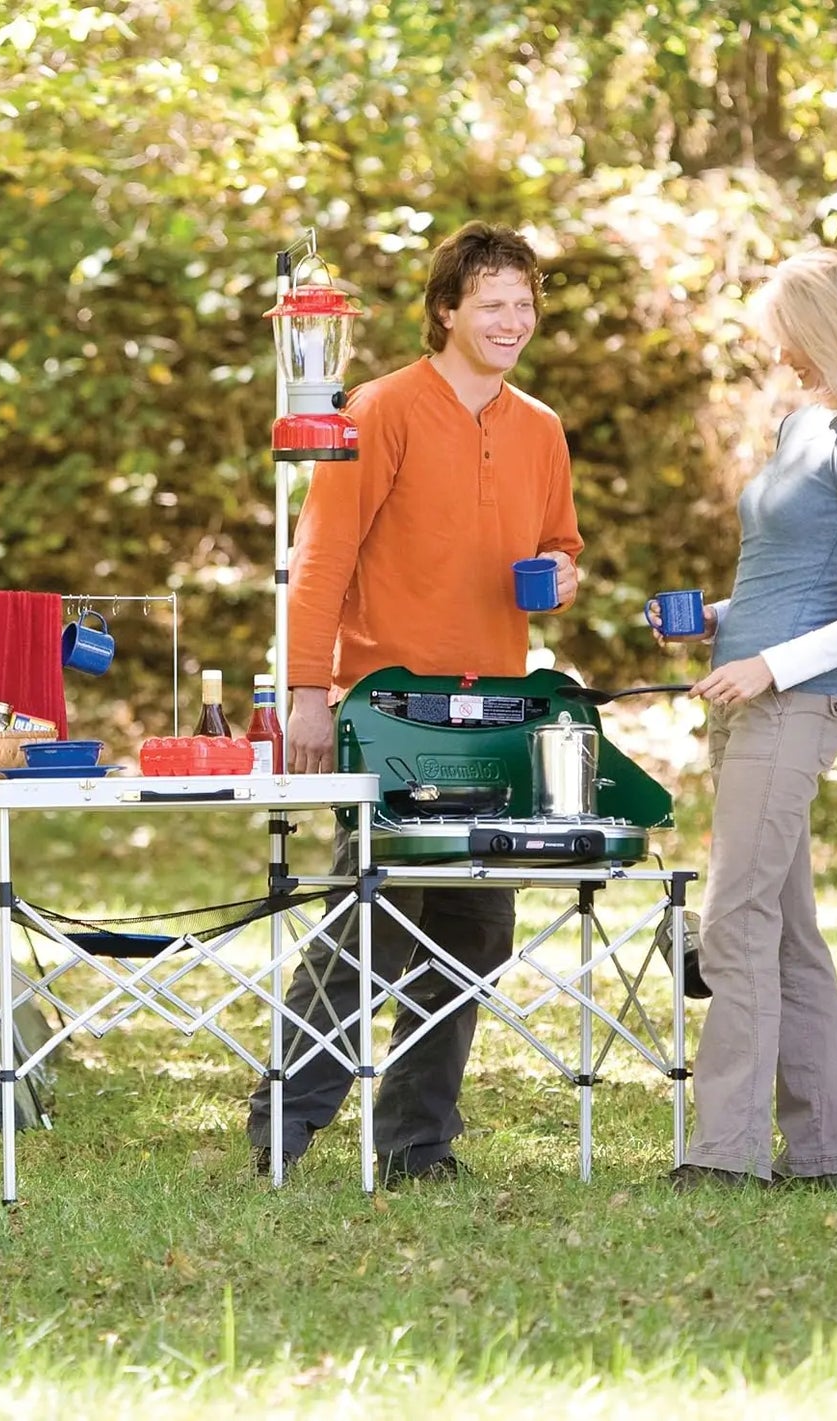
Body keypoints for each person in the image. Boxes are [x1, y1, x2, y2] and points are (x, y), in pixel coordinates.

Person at [246, 221, 583, 1185]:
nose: (511, 321)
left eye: (522, 305)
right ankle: (285, 1118)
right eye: (491, 305)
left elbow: (562, 546)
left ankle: (417, 1142)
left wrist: (558, 578)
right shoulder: (379, 410)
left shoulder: (541, 428)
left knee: (476, 930)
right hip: (390, 706)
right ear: (445, 313)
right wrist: (310, 694)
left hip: (500, 712)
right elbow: (320, 566)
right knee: (374, 915)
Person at [662, 247, 837, 1195]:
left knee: (733, 918)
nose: (777, 352)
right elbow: (790, 583)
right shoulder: (797, 427)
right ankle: (824, 1157)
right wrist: (715, 622)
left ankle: (723, 1154)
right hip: (750, 693)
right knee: (781, 929)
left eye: (786, 332)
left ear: (824, 326)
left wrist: (769, 662)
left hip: (794, 702)